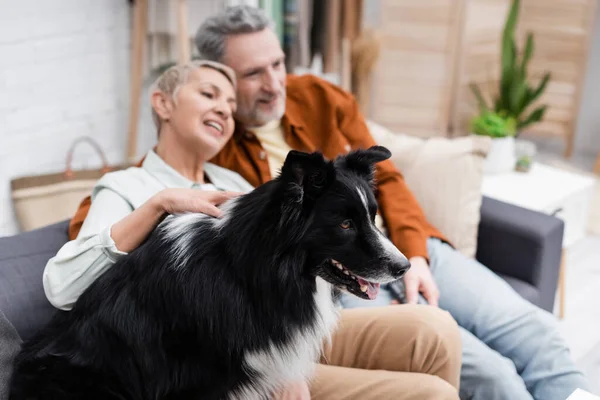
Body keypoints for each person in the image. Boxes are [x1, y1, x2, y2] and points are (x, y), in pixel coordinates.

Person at [197, 5, 586, 400]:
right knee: (492, 374)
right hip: (338, 284)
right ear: (220, 78)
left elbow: (389, 181)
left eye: (277, 64)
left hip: (405, 246)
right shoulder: (210, 148)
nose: (274, 83)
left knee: (535, 330)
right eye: (253, 74)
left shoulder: (320, 97)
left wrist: (416, 255)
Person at [44, 60, 462, 400]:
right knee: (431, 395)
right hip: (227, 370)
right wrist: (159, 204)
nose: (224, 109)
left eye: (229, 103)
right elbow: (65, 288)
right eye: (208, 94)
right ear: (162, 103)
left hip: (285, 346)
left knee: (436, 330)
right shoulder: (128, 187)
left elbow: (297, 255)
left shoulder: (238, 186)